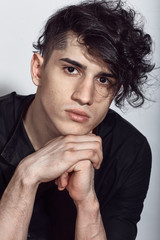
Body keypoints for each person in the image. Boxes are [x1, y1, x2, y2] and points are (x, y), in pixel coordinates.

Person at [0, 0, 154, 239]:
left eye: (103, 80)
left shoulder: (129, 150)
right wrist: (25, 177)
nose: (84, 96)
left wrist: (87, 203)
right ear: (38, 70)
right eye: (71, 70)